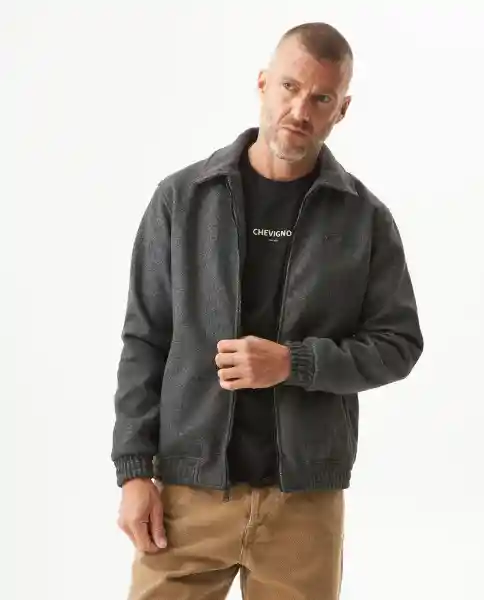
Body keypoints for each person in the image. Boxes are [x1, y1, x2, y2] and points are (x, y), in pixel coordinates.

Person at [111, 21, 424, 600]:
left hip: (303, 504)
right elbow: (145, 339)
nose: (300, 110)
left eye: (321, 98)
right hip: (187, 496)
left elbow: (398, 343)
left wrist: (294, 363)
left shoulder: (365, 220)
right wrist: (133, 471)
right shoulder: (182, 200)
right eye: (290, 87)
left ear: (342, 109)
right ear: (263, 83)